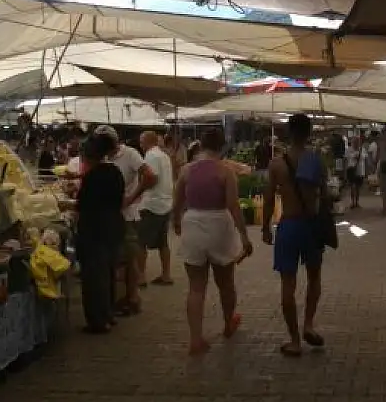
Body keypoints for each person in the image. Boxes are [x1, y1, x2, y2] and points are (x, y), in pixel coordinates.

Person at [171, 130, 253, 355]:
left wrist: (177, 222)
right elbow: (233, 206)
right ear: (222, 147)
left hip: (193, 223)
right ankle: (228, 323)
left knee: (196, 287)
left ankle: (196, 340)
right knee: (225, 282)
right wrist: (245, 236)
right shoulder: (225, 172)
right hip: (219, 224)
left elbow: (177, 201)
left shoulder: (186, 170)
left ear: (201, 146)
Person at [263, 113, 327, 357]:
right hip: (311, 226)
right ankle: (309, 323)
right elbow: (326, 194)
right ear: (309, 132)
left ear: (289, 133)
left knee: (287, 284)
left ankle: (295, 340)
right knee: (314, 277)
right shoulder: (316, 161)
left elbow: (269, 198)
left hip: (288, 225)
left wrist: (265, 227)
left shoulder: (276, 165)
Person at [95, 124, 155, 316]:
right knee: (118, 259)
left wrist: (132, 196)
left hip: (128, 216)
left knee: (129, 259)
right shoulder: (103, 157)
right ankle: (122, 299)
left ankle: (133, 298)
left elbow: (150, 176)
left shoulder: (129, 154)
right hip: (109, 216)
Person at [75, 133, 126, 334]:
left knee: (94, 275)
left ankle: (97, 320)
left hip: (94, 228)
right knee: (108, 272)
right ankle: (108, 314)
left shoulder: (93, 176)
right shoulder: (114, 171)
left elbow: (82, 204)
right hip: (113, 225)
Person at [137, 131, 175, 286]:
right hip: (165, 202)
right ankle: (166, 275)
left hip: (152, 204)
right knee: (163, 242)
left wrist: (138, 192)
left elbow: (152, 178)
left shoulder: (151, 156)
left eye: (141, 142)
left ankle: (140, 277)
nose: (140, 145)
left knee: (140, 242)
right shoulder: (164, 155)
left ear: (147, 142)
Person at [346, 136, 367, 209]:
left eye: (357, 142)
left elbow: (364, 157)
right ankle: (352, 202)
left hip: (360, 171)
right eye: (354, 142)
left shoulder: (362, 149)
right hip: (351, 170)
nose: (355, 143)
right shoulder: (349, 149)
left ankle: (357, 202)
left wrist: (358, 155)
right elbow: (347, 158)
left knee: (358, 187)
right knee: (352, 186)